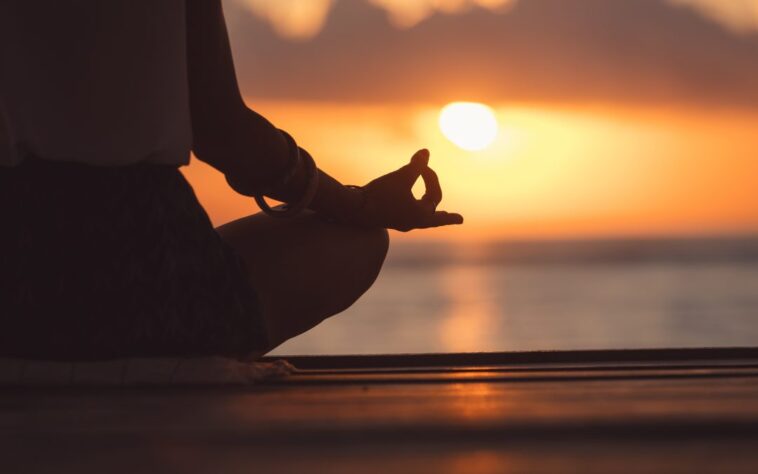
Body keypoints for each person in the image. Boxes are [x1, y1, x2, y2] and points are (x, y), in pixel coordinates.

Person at [0, 0, 463, 360]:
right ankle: (174, 363)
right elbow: (223, 131)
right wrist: (357, 205)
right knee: (361, 242)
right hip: (147, 282)